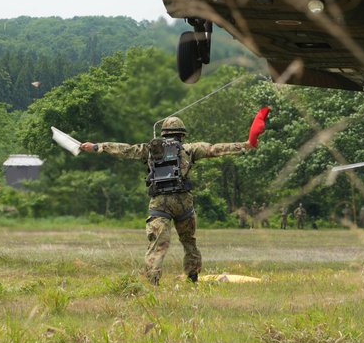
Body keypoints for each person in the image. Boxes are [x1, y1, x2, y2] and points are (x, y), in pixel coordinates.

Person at [80, 109, 268, 285]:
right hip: (183, 202)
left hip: (160, 203)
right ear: (182, 135)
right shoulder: (190, 149)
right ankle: (192, 279)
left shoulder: (149, 149)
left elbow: (125, 149)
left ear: (163, 134)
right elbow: (214, 149)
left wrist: (98, 146)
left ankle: (153, 283)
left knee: (157, 246)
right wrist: (245, 145)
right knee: (189, 242)